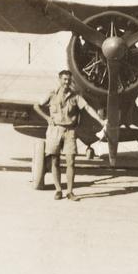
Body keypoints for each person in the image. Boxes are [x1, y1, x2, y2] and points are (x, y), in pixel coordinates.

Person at [33, 70, 106, 201]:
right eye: (64, 79)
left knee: (71, 162)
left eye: (68, 80)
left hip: (70, 132)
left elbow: (88, 108)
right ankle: (58, 190)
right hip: (54, 130)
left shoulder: (75, 97)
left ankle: (70, 192)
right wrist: (47, 118)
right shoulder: (52, 95)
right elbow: (36, 106)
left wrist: (100, 121)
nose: (67, 82)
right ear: (60, 80)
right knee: (54, 161)